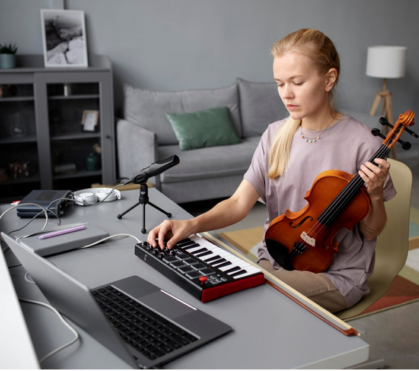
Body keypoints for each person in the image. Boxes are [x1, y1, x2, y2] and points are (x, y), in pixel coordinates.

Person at [147, 28, 396, 313]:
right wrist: (190, 225)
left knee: (252, 300)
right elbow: (239, 203)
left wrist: (375, 194)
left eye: (297, 82)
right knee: (220, 288)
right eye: (279, 84)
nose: (286, 94)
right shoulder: (276, 134)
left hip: (335, 275)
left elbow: (371, 230)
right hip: (278, 257)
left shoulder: (363, 142)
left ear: (329, 79)